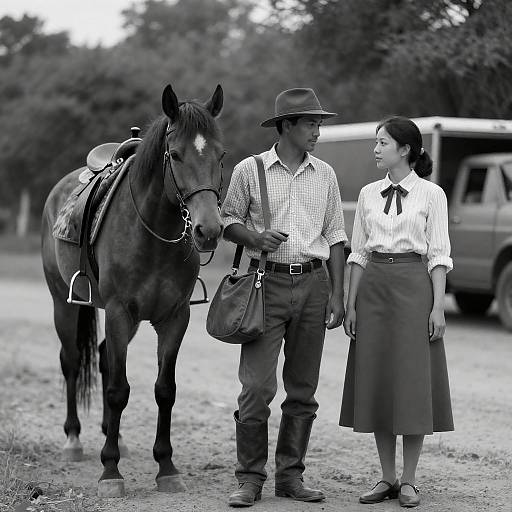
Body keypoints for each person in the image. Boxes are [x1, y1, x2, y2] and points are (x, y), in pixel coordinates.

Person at [221, 87, 347, 507]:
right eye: (311, 124)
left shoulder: (325, 174)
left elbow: (335, 238)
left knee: (303, 388)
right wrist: (255, 237)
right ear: (287, 126)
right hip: (265, 285)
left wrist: (337, 297)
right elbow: (227, 221)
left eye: (318, 124)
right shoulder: (248, 169)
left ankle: (290, 478)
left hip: (314, 286)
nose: (317, 131)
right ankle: (249, 479)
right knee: (256, 388)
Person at [339, 116, 454, 508]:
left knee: (410, 381)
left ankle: (408, 480)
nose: (375, 148)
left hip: (413, 287)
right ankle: (386, 477)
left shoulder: (431, 195)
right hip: (373, 290)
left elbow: (438, 256)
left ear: (404, 149)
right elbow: (358, 253)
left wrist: (437, 306)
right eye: (376, 142)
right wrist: (350, 304)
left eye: (382, 142)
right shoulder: (368, 193)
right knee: (380, 380)